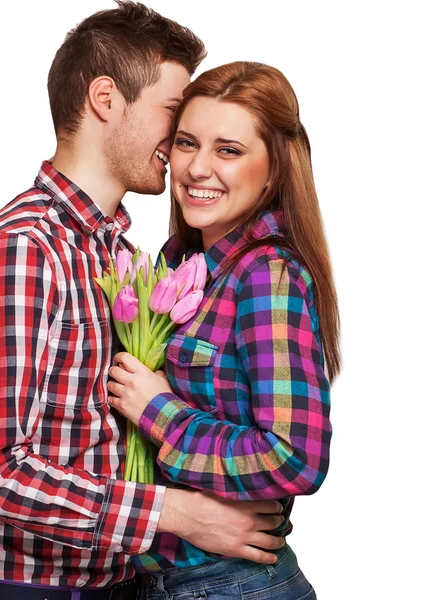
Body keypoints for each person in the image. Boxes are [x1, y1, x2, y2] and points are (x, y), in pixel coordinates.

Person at [0, 5, 286, 599]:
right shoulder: (22, 250)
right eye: (173, 113)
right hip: (30, 590)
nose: (181, 144)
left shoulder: (123, 256)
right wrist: (175, 513)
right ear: (106, 98)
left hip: (122, 583)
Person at [107, 61, 340, 599]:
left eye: (228, 150)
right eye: (187, 143)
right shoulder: (183, 264)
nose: (197, 168)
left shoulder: (266, 275)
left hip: (231, 585)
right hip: (168, 581)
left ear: (275, 169)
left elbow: (296, 458)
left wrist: (160, 414)